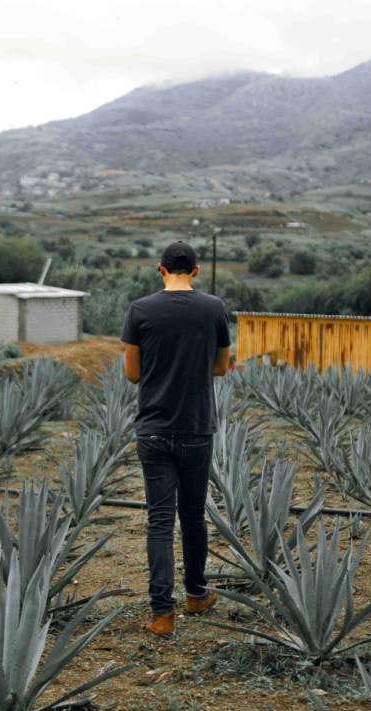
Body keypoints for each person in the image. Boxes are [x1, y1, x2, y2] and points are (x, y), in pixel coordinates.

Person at [122, 241, 231, 637]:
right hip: (197, 426)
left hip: (152, 427)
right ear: (197, 271)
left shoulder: (140, 310)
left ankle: (162, 615)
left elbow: (132, 374)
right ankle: (197, 594)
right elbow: (221, 367)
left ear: (161, 270)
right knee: (193, 516)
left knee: (160, 520)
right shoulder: (214, 308)